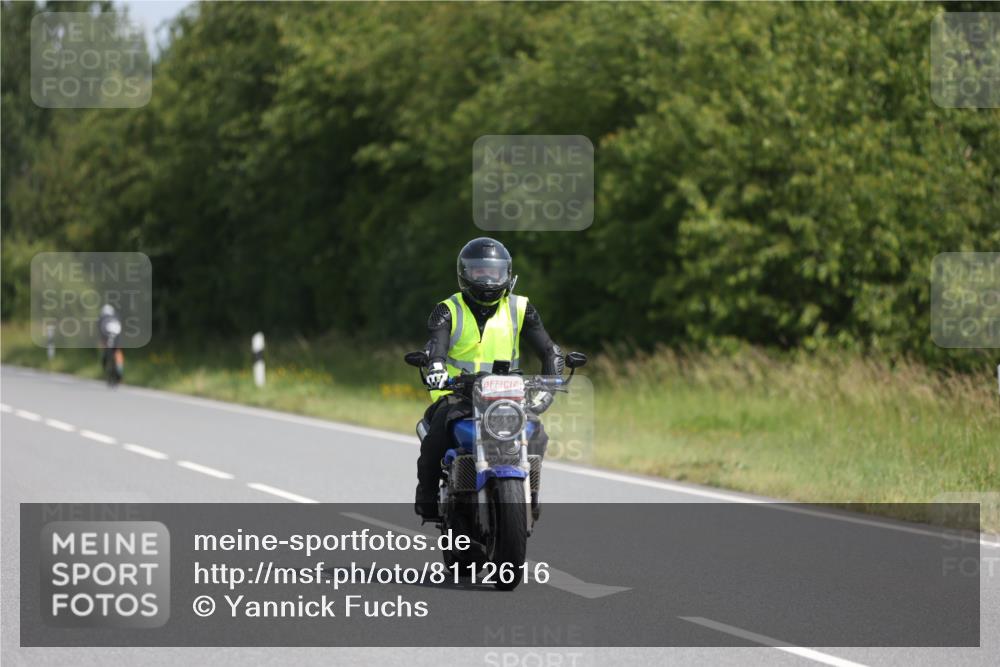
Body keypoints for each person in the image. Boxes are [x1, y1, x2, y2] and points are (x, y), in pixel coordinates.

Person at [415, 237, 564, 518]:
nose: (486, 278)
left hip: (508, 395)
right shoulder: (447, 309)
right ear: (464, 274)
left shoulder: (521, 307)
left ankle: (530, 493)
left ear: (507, 273)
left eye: (493, 271)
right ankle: (426, 497)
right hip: (457, 395)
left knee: (538, 434)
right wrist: (435, 368)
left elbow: (550, 352)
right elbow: (436, 347)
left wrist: (548, 388)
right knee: (436, 437)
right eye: (479, 270)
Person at [97, 304, 123, 381]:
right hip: (116, 336)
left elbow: (101, 332)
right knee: (118, 351)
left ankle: (105, 368)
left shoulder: (102, 318)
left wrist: (102, 342)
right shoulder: (116, 316)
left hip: (107, 336)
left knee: (105, 351)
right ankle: (120, 370)